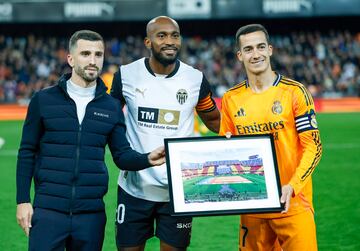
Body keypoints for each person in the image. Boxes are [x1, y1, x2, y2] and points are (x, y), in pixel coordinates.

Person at [15, 30, 165, 251]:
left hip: (91, 215)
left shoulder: (111, 106)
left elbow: (122, 156)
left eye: (98, 54)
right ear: (71, 58)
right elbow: (27, 151)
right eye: (85, 53)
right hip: (48, 211)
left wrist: (147, 159)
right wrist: (22, 200)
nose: (93, 60)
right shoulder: (43, 100)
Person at [110, 16, 220, 251]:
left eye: (175, 35)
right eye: (161, 36)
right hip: (134, 188)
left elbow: (215, 122)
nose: (170, 41)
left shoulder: (195, 79)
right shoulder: (126, 75)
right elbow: (109, 120)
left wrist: (247, 135)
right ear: (148, 42)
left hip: (177, 192)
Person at [219, 24, 323, 251]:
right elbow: (226, 152)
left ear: (270, 50)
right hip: (253, 208)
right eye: (248, 49)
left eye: (260, 47)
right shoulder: (230, 99)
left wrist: (292, 186)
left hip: (293, 204)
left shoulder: (295, 92)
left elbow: (314, 147)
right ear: (239, 55)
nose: (255, 54)